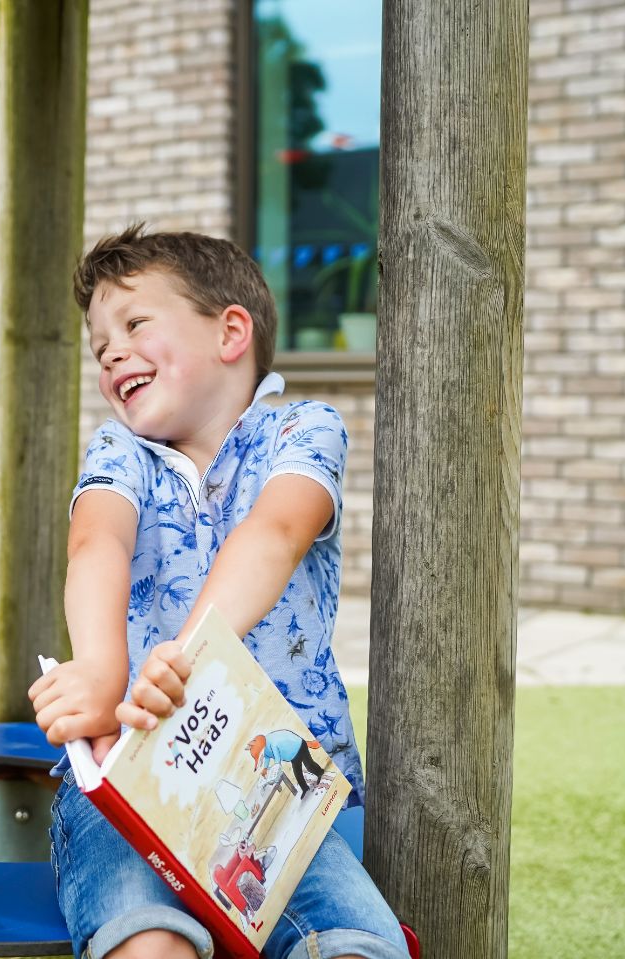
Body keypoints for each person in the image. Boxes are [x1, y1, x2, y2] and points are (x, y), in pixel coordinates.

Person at [28, 225, 407, 959]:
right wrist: (104, 673)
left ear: (231, 331)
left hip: (274, 792)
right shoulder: (121, 452)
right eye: (99, 343)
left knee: (355, 944)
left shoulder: (302, 429)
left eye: (133, 323)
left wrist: (186, 657)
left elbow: (274, 532)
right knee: (148, 940)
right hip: (125, 786)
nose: (110, 352)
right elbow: (96, 541)